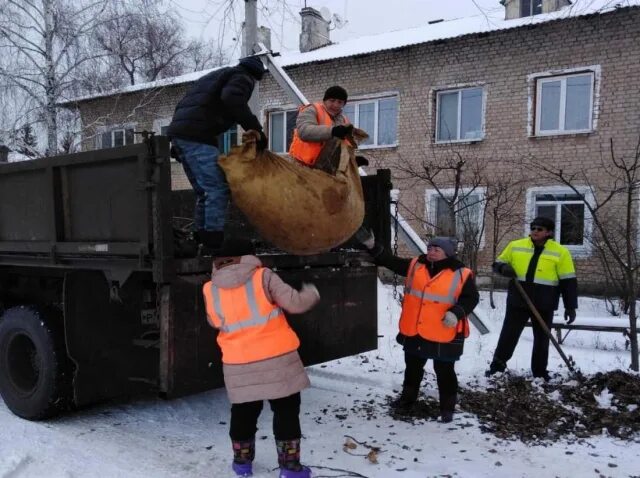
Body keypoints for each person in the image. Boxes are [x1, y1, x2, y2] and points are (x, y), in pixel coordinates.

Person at [202, 239, 320, 478]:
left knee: (243, 411)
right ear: (249, 255)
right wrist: (312, 293)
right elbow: (294, 303)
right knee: (286, 410)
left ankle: (242, 464)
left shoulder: (210, 288)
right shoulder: (263, 276)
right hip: (276, 357)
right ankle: (290, 468)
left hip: (238, 360)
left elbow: (214, 321)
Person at [363, 235, 479, 422]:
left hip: (443, 331)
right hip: (415, 329)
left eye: (436, 250)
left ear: (447, 253)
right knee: (413, 368)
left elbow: (471, 298)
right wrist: (373, 246)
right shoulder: (416, 264)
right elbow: (391, 262)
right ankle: (407, 401)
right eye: (430, 248)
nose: (431, 252)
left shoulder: (461, 273)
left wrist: (456, 313)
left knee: (444, 371)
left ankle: (447, 408)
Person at [168, 56, 268, 253]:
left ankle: (200, 237)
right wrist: (255, 129)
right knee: (217, 189)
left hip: (185, 136)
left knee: (204, 191)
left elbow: (187, 103)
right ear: (256, 76)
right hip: (197, 137)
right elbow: (232, 98)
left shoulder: (217, 75)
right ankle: (213, 241)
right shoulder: (243, 77)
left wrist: (179, 139)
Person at [486, 216, 578, 381]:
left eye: (540, 229)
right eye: (533, 228)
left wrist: (570, 306)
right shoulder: (516, 246)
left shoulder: (560, 252)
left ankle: (539, 372)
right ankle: (497, 367)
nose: (535, 231)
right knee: (508, 335)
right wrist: (503, 268)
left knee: (542, 339)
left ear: (549, 232)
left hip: (545, 301)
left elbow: (568, 281)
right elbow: (497, 263)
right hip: (518, 298)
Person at [288, 85, 356, 174]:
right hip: (302, 167)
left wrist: (353, 160)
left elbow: (345, 145)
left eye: (340, 102)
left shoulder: (343, 120)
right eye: (332, 101)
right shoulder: (311, 110)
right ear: (324, 100)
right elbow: (304, 131)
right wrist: (332, 131)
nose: (335, 105)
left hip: (327, 171)